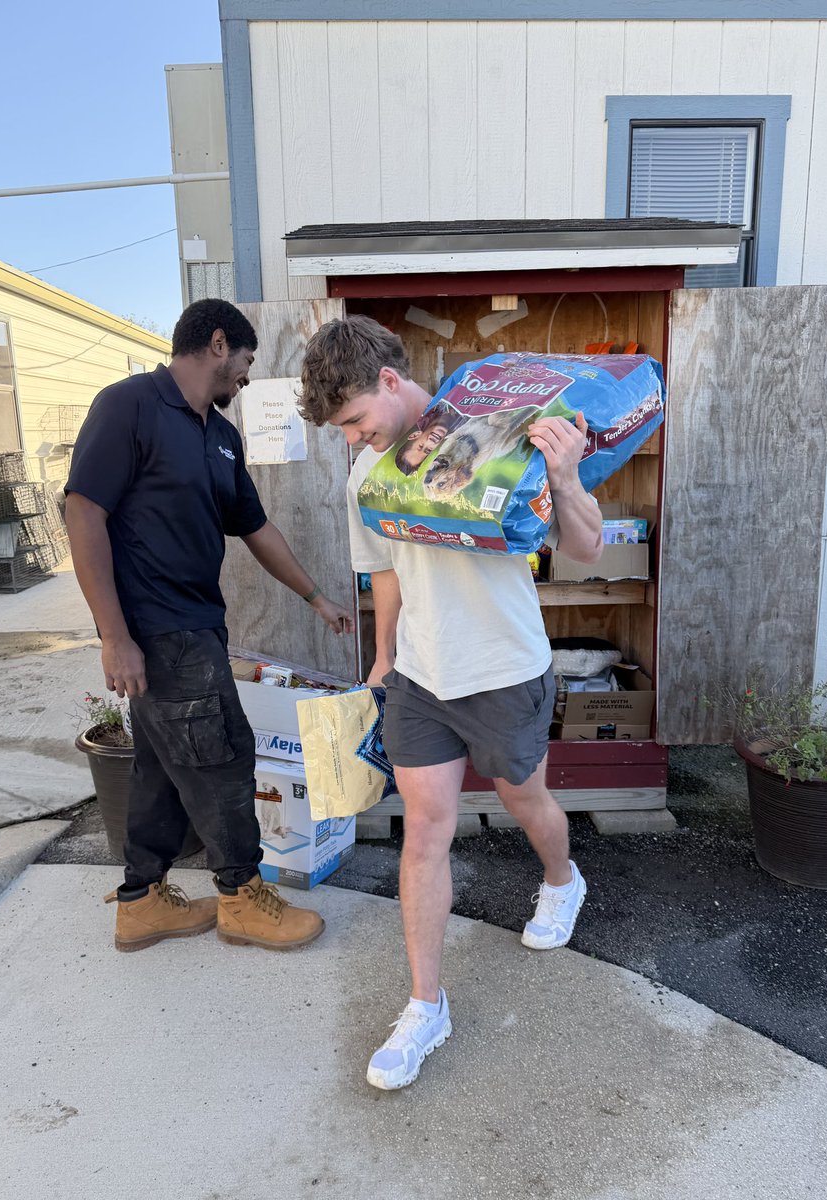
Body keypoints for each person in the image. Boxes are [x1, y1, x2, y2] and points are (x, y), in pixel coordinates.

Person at [298, 315, 602, 1090]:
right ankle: (425, 1005)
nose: (356, 439)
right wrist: (384, 660)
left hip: (504, 667)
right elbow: (389, 574)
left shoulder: (498, 430)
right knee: (425, 829)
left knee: (524, 798)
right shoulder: (365, 475)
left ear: (391, 383)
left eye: (359, 420)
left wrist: (566, 479)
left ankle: (563, 881)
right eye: (345, 430)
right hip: (423, 681)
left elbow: (587, 549)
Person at [66, 299, 353, 954]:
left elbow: (254, 527)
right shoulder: (129, 406)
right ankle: (241, 895)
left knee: (162, 769)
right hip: (157, 629)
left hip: (199, 624)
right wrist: (114, 635)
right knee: (222, 757)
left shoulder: (219, 435)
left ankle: (140, 902)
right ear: (219, 344)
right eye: (247, 362)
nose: (247, 378)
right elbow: (83, 514)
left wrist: (316, 597)